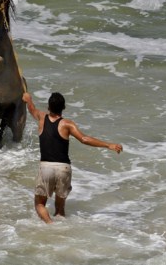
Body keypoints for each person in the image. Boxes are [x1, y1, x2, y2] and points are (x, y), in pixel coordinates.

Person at [22, 92, 123, 224]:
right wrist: (108, 145)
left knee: (39, 204)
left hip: (46, 167)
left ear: (48, 107)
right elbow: (84, 139)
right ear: (63, 107)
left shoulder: (41, 117)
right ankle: (62, 229)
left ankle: (50, 225)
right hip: (64, 169)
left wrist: (28, 99)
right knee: (60, 208)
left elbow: (32, 109)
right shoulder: (67, 124)